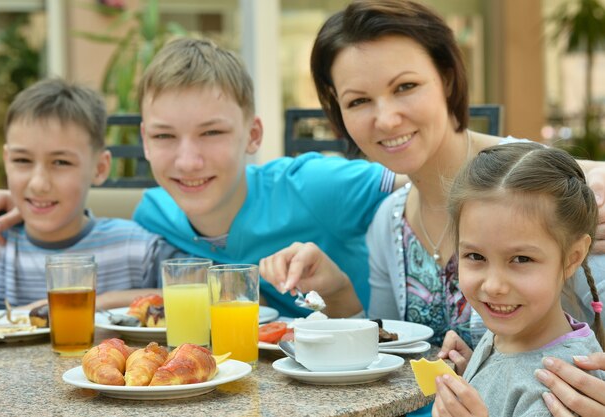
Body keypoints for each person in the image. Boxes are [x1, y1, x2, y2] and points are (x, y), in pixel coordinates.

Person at [256, 0, 605, 414]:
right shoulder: (388, 221)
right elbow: (395, 358)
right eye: (358, 101)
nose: (386, 118)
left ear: (447, 79)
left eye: (405, 87)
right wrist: (338, 292)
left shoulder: (547, 191)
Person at [0, 38, 396, 318]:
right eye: (164, 136)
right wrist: (26, 199)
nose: (188, 161)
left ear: (252, 134)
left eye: (211, 132)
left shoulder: (314, 185)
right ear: (144, 139)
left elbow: (432, 175)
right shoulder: (155, 215)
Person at [0, 78, 183, 311]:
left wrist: (96, 302)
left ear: (100, 168)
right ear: (6, 161)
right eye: (22, 160)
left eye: (61, 162)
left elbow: (207, 290)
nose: (38, 184)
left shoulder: (136, 249)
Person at [432, 142, 605, 416]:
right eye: (475, 256)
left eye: (521, 259)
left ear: (573, 257)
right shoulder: (510, 332)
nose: (494, 286)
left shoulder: (559, 392)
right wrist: (478, 374)